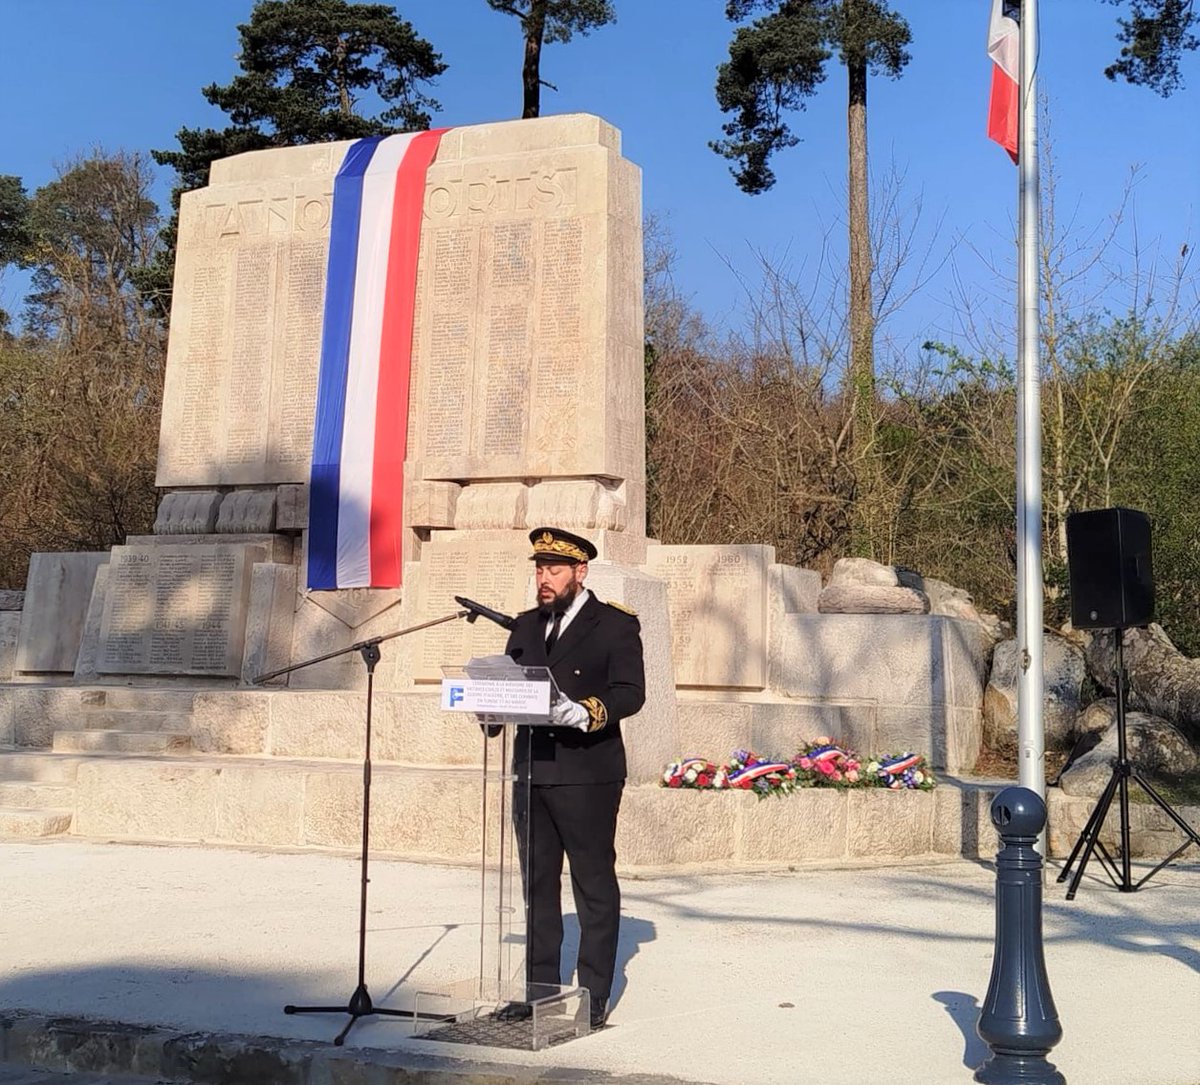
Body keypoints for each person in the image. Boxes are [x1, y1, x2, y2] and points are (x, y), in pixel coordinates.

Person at [502, 526, 645, 1030]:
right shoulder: (523, 627)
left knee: (592, 886)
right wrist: (488, 709)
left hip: (588, 773)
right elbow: (509, 687)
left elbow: (631, 693)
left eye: (554, 570)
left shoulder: (613, 625)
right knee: (537, 886)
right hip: (532, 771)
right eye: (539, 569)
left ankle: (592, 995)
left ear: (580, 572)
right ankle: (538, 992)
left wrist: (585, 712)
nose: (544, 578)